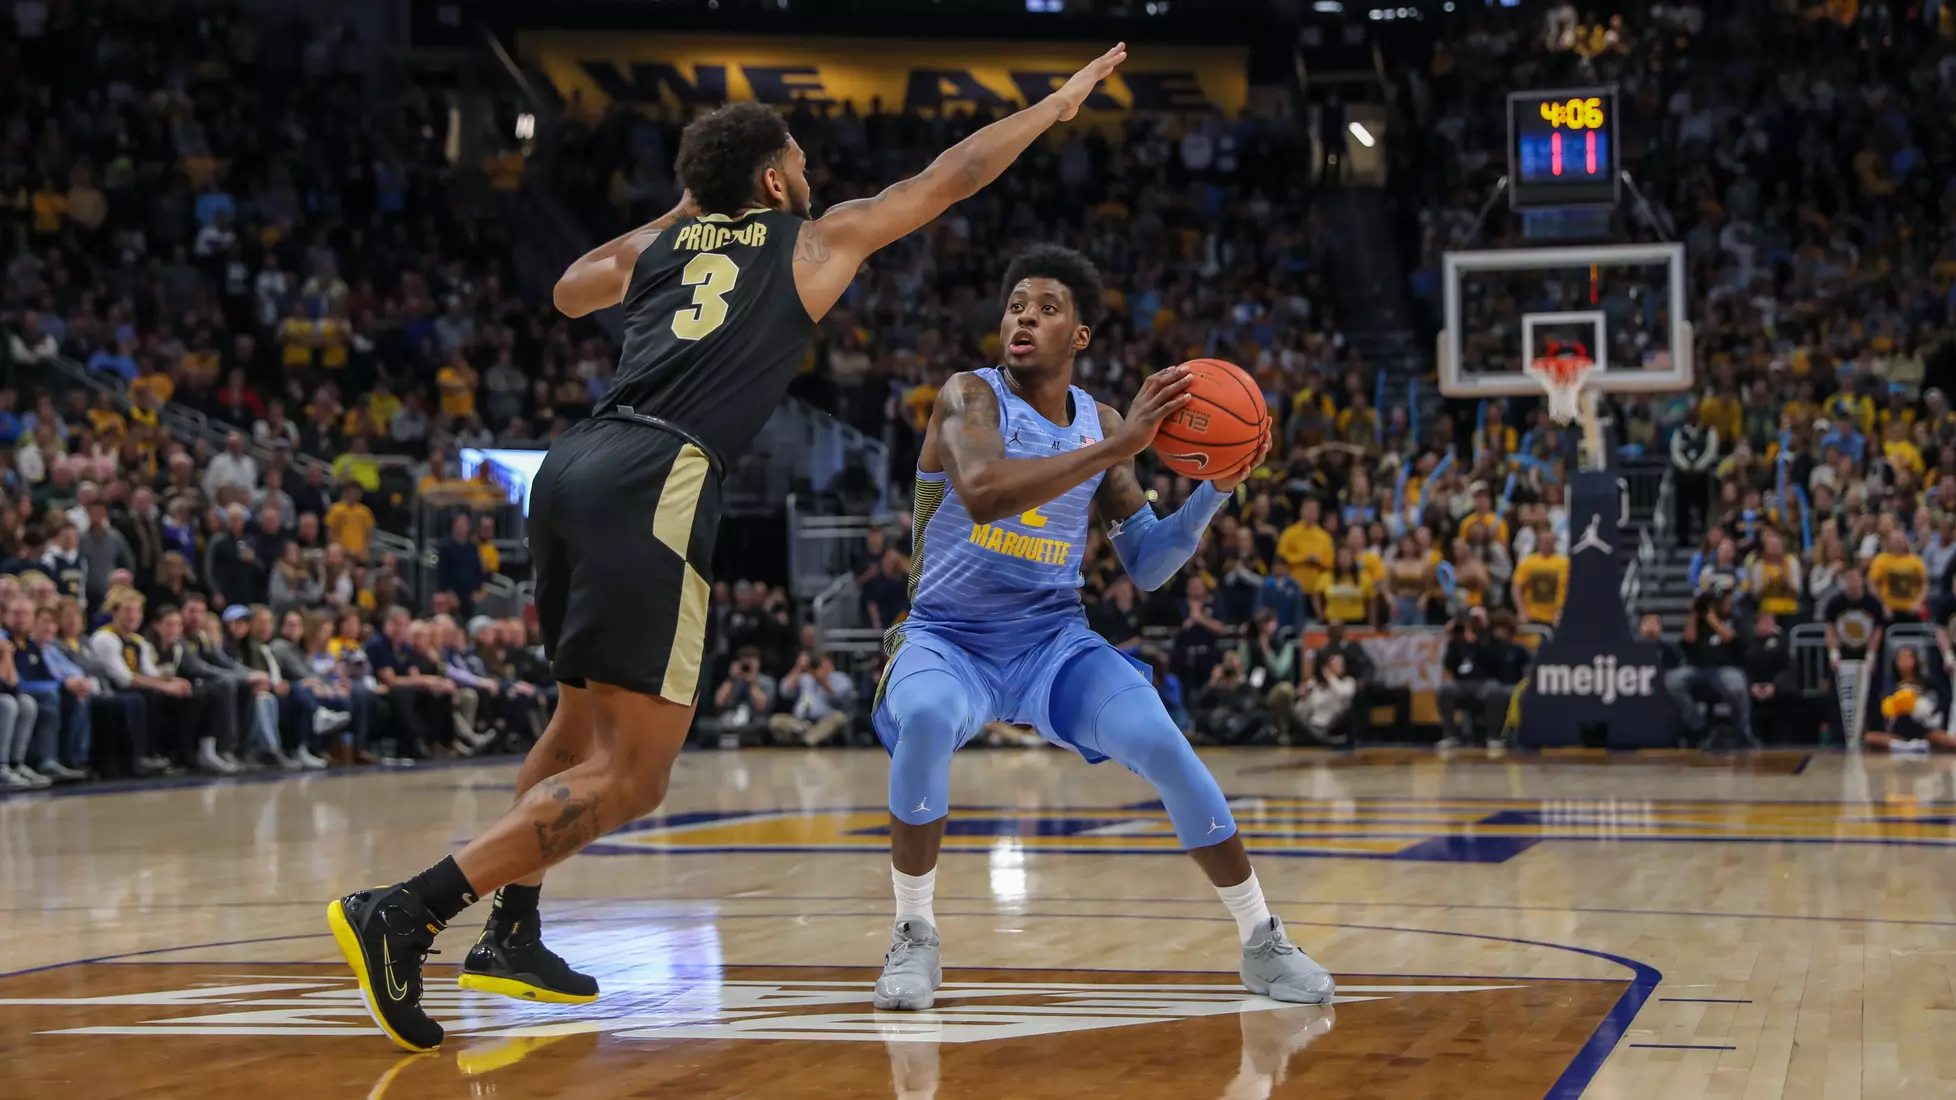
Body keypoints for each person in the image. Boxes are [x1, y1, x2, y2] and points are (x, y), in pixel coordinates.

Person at [327, 47, 1136, 1052]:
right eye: (798, 162)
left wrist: (681, 212)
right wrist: (1053, 107)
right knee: (636, 775)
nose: (813, 177)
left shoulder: (664, 247)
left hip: (573, 466)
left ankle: (513, 928)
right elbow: (951, 175)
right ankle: (407, 909)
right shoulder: (810, 240)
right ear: (772, 181)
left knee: (576, 723)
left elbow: (569, 293)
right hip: (654, 479)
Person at [868, 244, 1332, 1016]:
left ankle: (1261, 939)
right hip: (948, 637)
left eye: (1048, 309)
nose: (1025, 317)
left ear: (1079, 336)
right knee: (922, 719)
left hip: (1052, 641)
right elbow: (982, 493)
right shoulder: (967, 397)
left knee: (1161, 740)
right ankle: (915, 934)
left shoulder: (1099, 420)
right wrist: (1117, 449)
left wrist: (1215, 489)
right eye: (1017, 304)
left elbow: (1148, 564)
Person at [1865, 646, 1956, 753]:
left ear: (1915, 660)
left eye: (1908, 657)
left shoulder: (1927, 683)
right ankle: (1906, 746)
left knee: (1941, 737)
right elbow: (1885, 711)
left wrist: (1919, 704)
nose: (1904, 661)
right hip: (1899, 730)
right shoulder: (1890, 685)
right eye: (1901, 658)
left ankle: (1919, 744)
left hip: (1923, 729)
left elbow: (1936, 706)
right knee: (1869, 737)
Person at [1511, 526, 1569, 626]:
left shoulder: (1565, 563)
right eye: (1545, 541)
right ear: (1539, 542)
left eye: (1550, 541)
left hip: (1557, 617)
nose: (1548, 544)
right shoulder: (1527, 562)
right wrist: (1522, 611)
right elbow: (1516, 588)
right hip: (1533, 616)